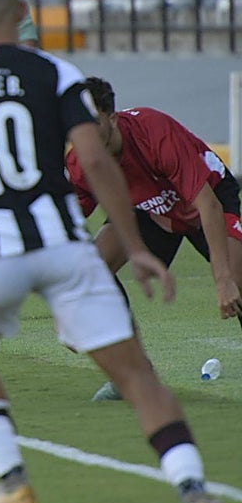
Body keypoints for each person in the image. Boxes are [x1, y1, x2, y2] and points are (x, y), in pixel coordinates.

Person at [0, 0, 222, 503]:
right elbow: (94, 157)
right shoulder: (55, 73)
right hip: (63, 246)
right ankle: (192, 489)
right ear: (22, 13)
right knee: (137, 374)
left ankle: (13, 481)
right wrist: (136, 248)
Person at [65, 76, 242, 402]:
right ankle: (131, 371)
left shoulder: (153, 130)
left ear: (113, 119)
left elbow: (208, 204)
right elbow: (63, 227)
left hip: (207, 200)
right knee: (93, 269)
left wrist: (223, 279)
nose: (86, 134)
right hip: (149, 210)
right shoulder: (80, 162)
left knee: (238, 280)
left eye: (93, 123)